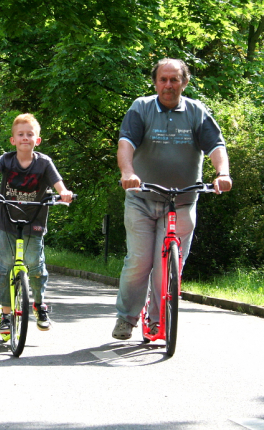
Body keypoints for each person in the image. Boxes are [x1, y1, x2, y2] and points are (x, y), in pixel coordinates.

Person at [113, 58, 232, 340]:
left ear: (184, 82)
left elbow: (216, 145)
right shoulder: (140, 108)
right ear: (155, 82)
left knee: (166, 269)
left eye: (174, 79)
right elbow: (126, 143)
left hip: (182, 201)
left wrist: (223, 173)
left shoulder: (196, 111)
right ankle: (127, 318)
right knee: (139, 263)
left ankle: (156, 321)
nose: (168, 85)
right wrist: (128, 172)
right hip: (141, 199)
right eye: (163, 79)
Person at [0, 113, 73, 333]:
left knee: (35, 265)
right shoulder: (5, 160)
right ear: (13, 140)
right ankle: (6, 315)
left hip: (34, 221)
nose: (25, 138)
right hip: (7, 223)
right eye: (20, 134)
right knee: (4, 267)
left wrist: (64, 193)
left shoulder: (44, 163)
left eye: (30, 134)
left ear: (37, 140)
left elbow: (59, 185)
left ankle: (39, 305)